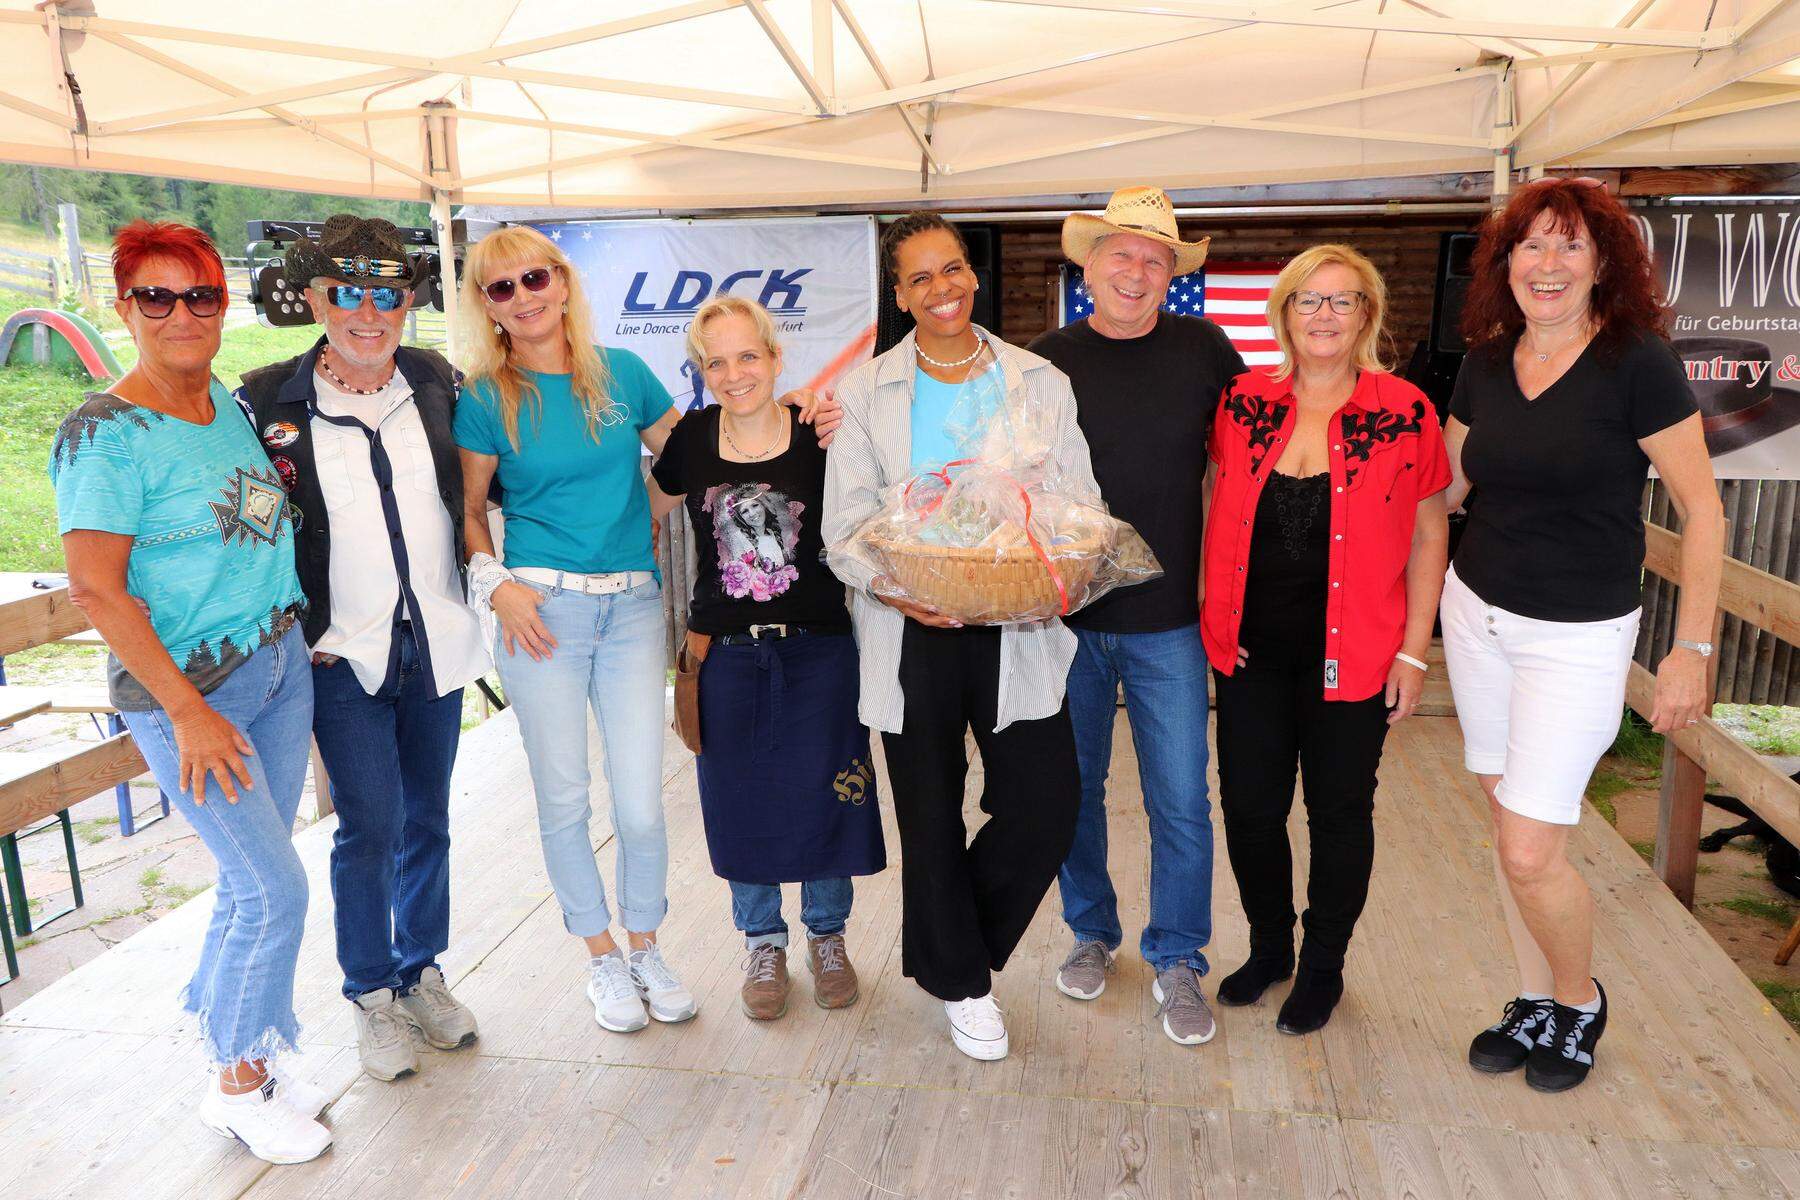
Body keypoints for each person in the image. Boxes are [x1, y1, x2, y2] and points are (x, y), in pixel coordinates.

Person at [50, 220, 330, 1163]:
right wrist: (186, 711)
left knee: (251, 880)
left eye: (201, 294)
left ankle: (236, 1045)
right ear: (124, 306)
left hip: (279, 667)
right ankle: (238, 1083)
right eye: (157, 297)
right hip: (193, 696)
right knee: (273, 888)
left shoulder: (225, 400)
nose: (181, 314)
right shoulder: (104, 433)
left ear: (224, 304)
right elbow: (95, 588)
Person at [1445, 178, 1722, 1093]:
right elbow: (1440, 492)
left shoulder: (1634, 361)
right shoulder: (1485, 361)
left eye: (1570, 245)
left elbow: (1704, 512)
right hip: (1475, 616)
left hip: (1575, 635)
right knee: (1507, 826)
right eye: (1532, 246)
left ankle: (1577, 1001)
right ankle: (1530, 997)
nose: (1549, 263)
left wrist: (1694, 649)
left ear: (1604, 262)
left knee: (1532, 847)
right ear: (1507, 264)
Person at [823, 213, 1092, 1062]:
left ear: (972, 275)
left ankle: (949, 944)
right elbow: (844, 529)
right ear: (898, 296)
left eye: (953, 270)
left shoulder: (1038, 381)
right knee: (931, 815)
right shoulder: (867, 394)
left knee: (1047, 808)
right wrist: (906, 591)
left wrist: (1060, 560)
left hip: (1018, 623)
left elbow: (1079, 502)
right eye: (920, 278)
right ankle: (966, 986)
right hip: (912, 631)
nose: (942, 289)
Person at [237, 215, 486, 1082]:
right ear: (315, 299)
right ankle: (370, 994)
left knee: (430, 820)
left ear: (408, 300)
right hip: (340, 655)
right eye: (349, 292)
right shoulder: (266, 400)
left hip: (437, 642)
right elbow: (242, 527)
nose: (369, 312)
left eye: (388, 294)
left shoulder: (438, 382)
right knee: (368, 826)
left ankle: (421, 970)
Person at [1201, 244, 1450, 1036]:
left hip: (1358, 655)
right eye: (1309, 300)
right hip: (1252, 654)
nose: (1324, 315)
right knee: (1248, 810)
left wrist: (1414, 650)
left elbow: (1428, 534)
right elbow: (1214, 500)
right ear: (1283, 313)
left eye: (1343, 301)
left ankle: (1324, 966)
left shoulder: (1404, 409)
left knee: (1340, 815)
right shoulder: (1242, 402)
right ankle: (1270, 947)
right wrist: (1215, 607)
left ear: (1367, 316)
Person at [453, 225, 695, 1035]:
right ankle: (600, 958)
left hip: (630, 608)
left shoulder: (622, 373)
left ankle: (646, 945)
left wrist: (788, 417)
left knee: (642, 805)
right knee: (564, 798)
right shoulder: (487, 396)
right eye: (501, 288)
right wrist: (498, 590)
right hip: (540, 616)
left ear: (562, 282)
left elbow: (691, 458)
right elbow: (470, 515)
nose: (523, 297)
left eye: (534, 278)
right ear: (486, 305)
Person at [1027, 185, 1245, 1046]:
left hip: (1171, 619)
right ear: (1089, 265)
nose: (1137, 270)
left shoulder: (1205, 349)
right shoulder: (1046, 360)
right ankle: (1091, 931)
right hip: (1065, 620)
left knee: (1182, 798)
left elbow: (1249, 462)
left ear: (1170, 276)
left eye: (1155, 258)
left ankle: (1180, 957)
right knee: (1072, 788)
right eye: (1121, 253)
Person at [648, 295, 885, 1021]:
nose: (733, 372)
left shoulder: (820, 434)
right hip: (726, 657)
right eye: (715, 361)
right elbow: (642, 513)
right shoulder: (689, 441)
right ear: (701, 371)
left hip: (820, 650)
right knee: (737, 799)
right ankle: (762, 941)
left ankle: (828, 935)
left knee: (829, 793)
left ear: (777, 359)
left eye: (747, 355)